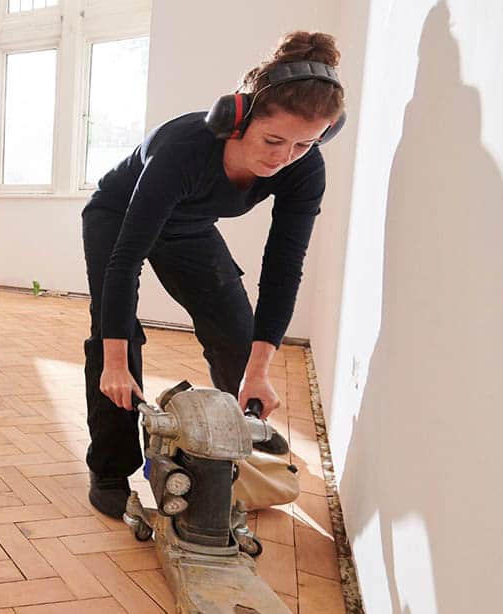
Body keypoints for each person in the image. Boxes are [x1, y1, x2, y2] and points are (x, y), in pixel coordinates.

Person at [82, 32, 346, 518]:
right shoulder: (183, 148)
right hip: (118, 216)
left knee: (236, 332)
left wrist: (258, 373)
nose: (283, 157)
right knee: (116, 339)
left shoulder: (305, 169)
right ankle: (110, 468)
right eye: (273, 140)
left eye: (305, 144)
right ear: (237, 119)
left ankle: (238, 431)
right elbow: (125, 260)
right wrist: (114, 363)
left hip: (189, 224)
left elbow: (283, 268)